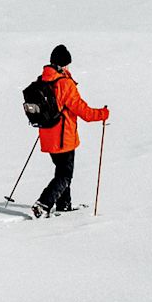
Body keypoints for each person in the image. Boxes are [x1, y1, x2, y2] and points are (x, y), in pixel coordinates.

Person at [32, 43, 108, 218]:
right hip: (63, 138)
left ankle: (64, 205)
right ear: (62, 65)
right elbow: (84, 112)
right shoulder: (64, 84)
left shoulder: (43, 80)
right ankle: (43, 204)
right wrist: (102, 114)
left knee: (61, 171)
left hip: (47, 134)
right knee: (65, 175)